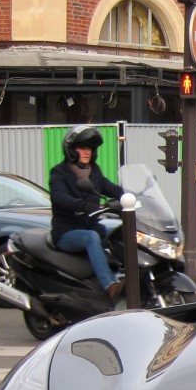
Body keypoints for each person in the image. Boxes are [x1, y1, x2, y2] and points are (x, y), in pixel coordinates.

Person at [50, 124, 125, 301]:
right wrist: (84, 206)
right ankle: (110, 285)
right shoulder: (59, 173)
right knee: (91, 237)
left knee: (123, 234)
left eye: (90, 148)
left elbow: (110, 188)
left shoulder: (94, 171)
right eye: (82, 147)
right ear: (71, 149)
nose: (87, 152)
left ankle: (132, 278)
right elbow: (59, 197)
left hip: (92, 226)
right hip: (67, 231)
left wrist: (129, 196)